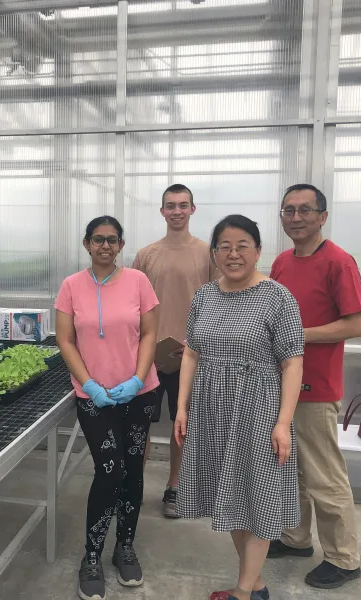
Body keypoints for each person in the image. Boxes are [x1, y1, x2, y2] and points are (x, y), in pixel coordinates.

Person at [174, 214, 305, 600]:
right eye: (224, 247)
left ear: (259, 250)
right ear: (214, 253)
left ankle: (243, 593)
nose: (233, 254)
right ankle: (257, 585)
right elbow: (191, 354)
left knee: (259, 495)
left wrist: (283, 423)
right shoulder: (205, 296)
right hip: (212, 409)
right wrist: (182, 407)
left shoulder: (278, 297)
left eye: (242, 245)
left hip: (259, 410)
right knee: (227, 494)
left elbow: (293, 361)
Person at [55, 215, 160, 600]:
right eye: (98, 239)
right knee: (109, 468)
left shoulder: (138, 282)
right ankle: (93, 554)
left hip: (138, 393)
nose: (105, 246)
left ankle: (125, 546)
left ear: (121, 245)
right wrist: (90, 384)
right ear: (86, 244)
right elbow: (65, 341)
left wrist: (137, 378)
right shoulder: (71, 287)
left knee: (132, 468)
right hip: (94, 397)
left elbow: (150, 332)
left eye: (112, 240)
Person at [268, 184, 361, 589]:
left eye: (305, 210)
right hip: (278, 383)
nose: (295, 217)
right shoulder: (281, 262)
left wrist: (298, 334)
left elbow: (357, 323)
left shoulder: (339, 262)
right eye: (288, 210)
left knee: (324, 474)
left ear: (322, 216)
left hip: (317, 385)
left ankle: (344, 558)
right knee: (290, 468)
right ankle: (295, 537)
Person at [131, 183, 215, 518]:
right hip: (149, 356)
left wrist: (200, 344)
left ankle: (175, 487)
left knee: (183, 425)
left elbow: (218, 302)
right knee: (141, 425)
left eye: (183, 205)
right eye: (170, 206)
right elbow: (131, 304)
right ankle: (133, 485)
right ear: (162, 211)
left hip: (189, 356)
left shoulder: (208, 254)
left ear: (193, 209)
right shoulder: (146, 255)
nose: (176, 211)